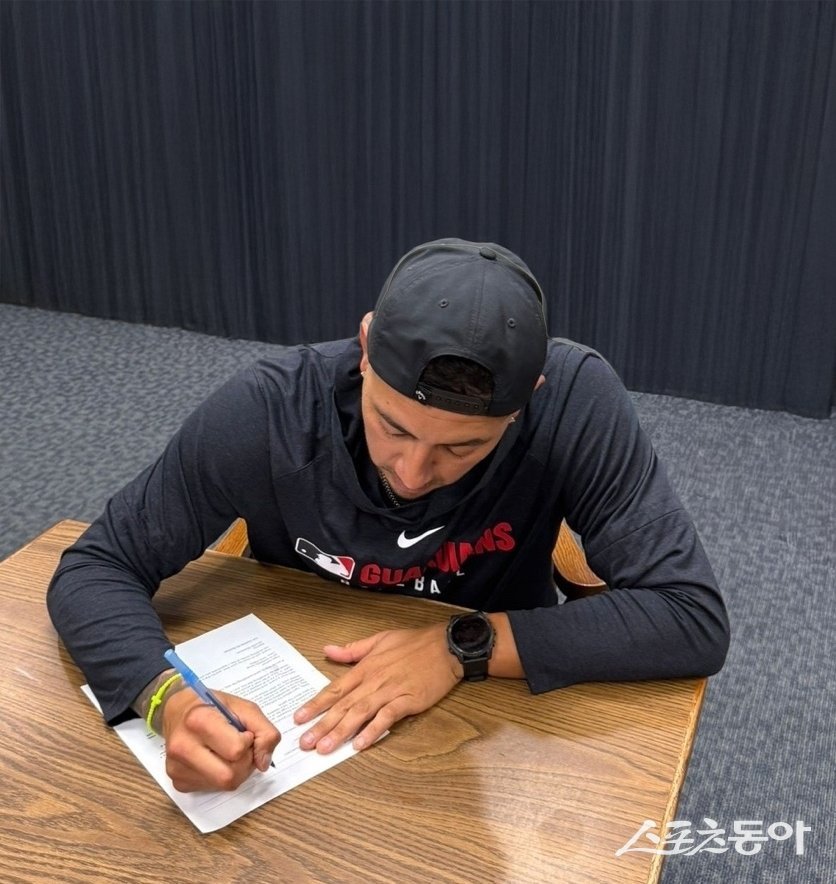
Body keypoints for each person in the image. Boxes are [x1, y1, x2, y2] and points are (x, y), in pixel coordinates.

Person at [47, 238, 730, 793]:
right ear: (366, 346)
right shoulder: (272, 410)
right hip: (298, 714)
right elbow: (98, 566)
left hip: (492, 715)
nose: (411, 473)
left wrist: (461, 647)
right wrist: (169, 700)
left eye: (462, 448)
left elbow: (690, 617)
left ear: (531, 398)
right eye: (393, 427)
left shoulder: (574, 400)